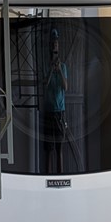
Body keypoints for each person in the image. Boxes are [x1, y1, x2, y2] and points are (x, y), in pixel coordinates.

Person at [43, 29, 68, 174]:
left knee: (59, 148)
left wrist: (59, 70)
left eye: (56, 44)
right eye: (53, 44)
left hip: (60, 111)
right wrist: (52, 70)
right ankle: (47, 175)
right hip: (48, 110)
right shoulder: (46, 66)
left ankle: (60, 175)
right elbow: (45, 85)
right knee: (48, 149)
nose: (54, 46)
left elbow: (65, 87)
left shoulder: (63, 66)